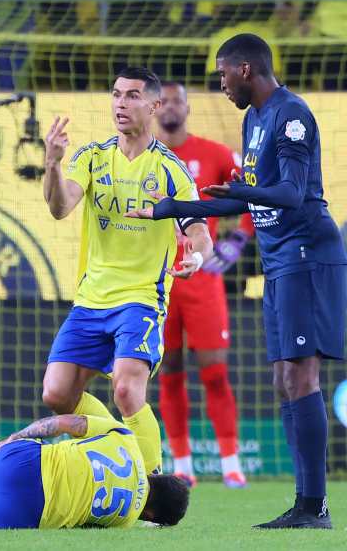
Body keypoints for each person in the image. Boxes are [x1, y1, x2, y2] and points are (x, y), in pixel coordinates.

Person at [128, 33, 347, 529]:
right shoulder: (253, 120)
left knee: (301, 375)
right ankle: (303, 502)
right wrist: (176, 209)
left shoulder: (292, 114)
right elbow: (246, 199)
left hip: (308, 254)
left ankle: (315, 507)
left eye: (223, 74)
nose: (221, 84)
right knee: (282, 378)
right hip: (279, 260)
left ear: (246, 69)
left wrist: (246, 191)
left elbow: (290, 194)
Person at [40, 66, 214, 477]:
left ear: (153, 105)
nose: (121, 103)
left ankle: (154, 490)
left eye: (132, 95)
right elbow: (60, 206)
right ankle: (116, 439)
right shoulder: (91, 157)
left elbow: (200, 231)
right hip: (91, 297)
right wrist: (52, 165)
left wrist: (198, 259)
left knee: (125, 386)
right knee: (56, 394)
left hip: (141, 297)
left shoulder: (171, 170)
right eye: (116, 94)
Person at [154, 80, 253, 489]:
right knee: (169, 371)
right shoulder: (142, 156)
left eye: (179, 100)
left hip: (203, 280)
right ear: (153, 108)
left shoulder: (212, 152)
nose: (171, 107)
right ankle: (182, 465)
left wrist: (236, 241)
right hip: (157, 282)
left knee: (214, 372)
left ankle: (231, 463)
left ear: (188, 108)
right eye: (164, 101)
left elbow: (252, 192)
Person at [0, 412, 190, 529]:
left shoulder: (127, 440)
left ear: (157, 475)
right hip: (34, 510)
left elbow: (68, 423)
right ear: (151, 516)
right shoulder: (123, 522)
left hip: (22, 462)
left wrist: (17, 438)